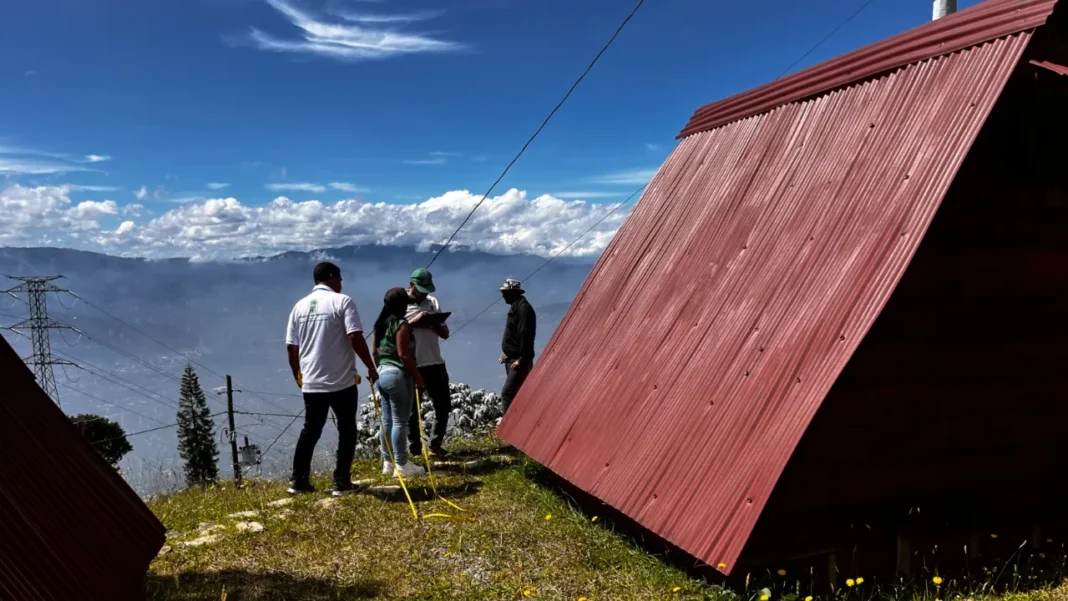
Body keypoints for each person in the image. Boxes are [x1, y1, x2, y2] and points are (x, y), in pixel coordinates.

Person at [285, 262, 378, 497]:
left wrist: (298, 374)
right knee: (347, 430)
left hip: (311, 382)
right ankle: (341, 482)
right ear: (331, 277)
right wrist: (370, 366)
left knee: (310, 430)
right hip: (341, 381)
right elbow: (355, 336)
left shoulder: (299, 306)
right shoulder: (343, 301)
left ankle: (298, 481)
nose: (342, 283)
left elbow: (291, 347)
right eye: (340, 278)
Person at [372, 287, 427, 478]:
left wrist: (377, 370)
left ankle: (388, 462)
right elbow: (404, 354)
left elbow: (374, 352)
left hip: (382, 373)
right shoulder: (401, 324)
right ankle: (402, 465)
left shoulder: (380, 324)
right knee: (400, 421)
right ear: (403, 305)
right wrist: (418, 376)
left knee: (386, 421)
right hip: (398, 374)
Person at [405, 268, 452, 457]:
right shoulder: (400, 304)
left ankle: (435, 445)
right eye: (421, 289)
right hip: (414, 364)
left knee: (443, 405)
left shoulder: (432, 302)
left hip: (435, 361)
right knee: (412, 411)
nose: (424, 293)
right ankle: (415, 450)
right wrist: (414, 321)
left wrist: (434, 322)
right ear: (411, 285)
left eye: (426, 289)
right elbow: (392, 333)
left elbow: (445, 333)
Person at [499, 278, 536, 413]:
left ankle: (508, 429)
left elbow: (526, 335)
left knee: (508, 394)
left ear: (513, 293)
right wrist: (507, 353)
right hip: (512, 359)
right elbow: (515, 335)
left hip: (518, 361)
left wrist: (522, 359)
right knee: (516, 395)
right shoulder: (516, 307)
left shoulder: (523, 309)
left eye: (505, 292)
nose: (503, 296)